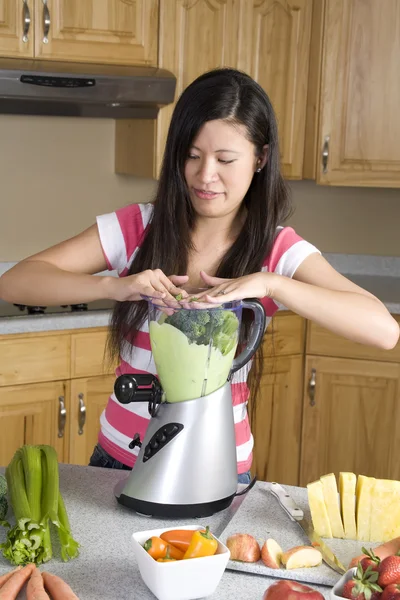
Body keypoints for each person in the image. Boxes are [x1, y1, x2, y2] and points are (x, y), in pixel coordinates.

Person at [0, 68, 398, 485]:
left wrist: (271, 283)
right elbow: (16, 281)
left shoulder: (277, 251)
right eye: (192, 155)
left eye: (225, 160)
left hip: (220, 467)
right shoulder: (138, 227)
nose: (205, 175)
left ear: (260, 158)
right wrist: (114, 286)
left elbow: (383, 330)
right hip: (121, 460)